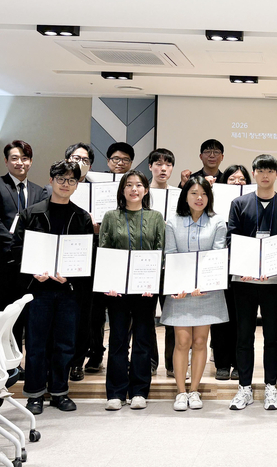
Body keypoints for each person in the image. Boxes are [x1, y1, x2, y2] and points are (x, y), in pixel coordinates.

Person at [12, 160, 94, 414]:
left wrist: (70, 278)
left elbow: (87, 257)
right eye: (61, 179)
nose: (65, 184)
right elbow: (16, 250)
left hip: (68, 291)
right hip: (38, 290)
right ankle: (34, 394)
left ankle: (59, 392)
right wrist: (32, 272)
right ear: (51, 180)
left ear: (77, 185)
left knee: (65, 343)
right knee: (36, 343)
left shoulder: (81, 217)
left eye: (71, 180)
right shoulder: (30, 214)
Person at [227, 154, 277, 411]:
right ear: (253, 173)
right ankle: (244, 387)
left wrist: (274, 267)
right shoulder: (239, 203)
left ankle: (270, 387)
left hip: (274, 281)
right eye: (261, 170)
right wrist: (244, 266)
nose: (265, 175)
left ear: (276, 175)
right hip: (243, 280)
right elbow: (231, 238)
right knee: (243, 335)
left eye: (270, 171)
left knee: (272, 336)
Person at [99, 170, 165, 411]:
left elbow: (160, 252)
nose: (134, 189)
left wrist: (152, 283)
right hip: (116, 290)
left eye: (138, 185)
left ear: (146, 190)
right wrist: (108, 283)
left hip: (145, 290)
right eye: (129, 185)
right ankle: (116, 392)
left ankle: (139, 391)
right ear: (122, 190)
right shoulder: (111, 216)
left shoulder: (156, 217)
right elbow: (104, 251)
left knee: (143, 339)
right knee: (117, 339)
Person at [0, 140, 47, 358]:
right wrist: (18, 247)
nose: (20, 163)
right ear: (6, 161)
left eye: (25, 158)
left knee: (20, 317)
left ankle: (14, 364)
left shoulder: (39, 192)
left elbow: (42, 226)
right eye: (14, 158)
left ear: (31, 162)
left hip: (26, 267)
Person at [163, 176, 228, 411]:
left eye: (203, 194)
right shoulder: (172, 222)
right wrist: (177, 286)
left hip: (206, 291)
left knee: (200, 341)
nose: (199, 198)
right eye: (194, 193)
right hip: (180, 291)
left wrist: (205, 283)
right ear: (185, 196)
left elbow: (217, 255)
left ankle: (194, 390)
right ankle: (181, 392)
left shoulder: (218, 222)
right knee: (182, 341)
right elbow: (170, 255)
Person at [85, 142, 136, 375]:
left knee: (124, 310)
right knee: (95, 310)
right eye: (116, 159)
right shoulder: (95, 185)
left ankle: (122, 354)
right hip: (95, 253)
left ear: (131, 163)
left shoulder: (135, 186)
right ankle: (95, 353)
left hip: (125, 255)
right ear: (107, 161)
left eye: (125, 160)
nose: (120, 163)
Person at [210, 164, 251, 381]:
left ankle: (238, 363)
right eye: (232, 179)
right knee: (220, 316)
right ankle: (222, 363)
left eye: (241, 179)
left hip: (242, 264)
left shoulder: (251, 203)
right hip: (219, 265)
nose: (237, 183)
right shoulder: (213, 202)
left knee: (239, 316)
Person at [63, 142, 99, 383]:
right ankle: (58, 362)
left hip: (90, 259)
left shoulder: (100, 190)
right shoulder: (54, 187)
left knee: (86, 314)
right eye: (76, 158)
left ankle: (77, 362)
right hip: (62, 259)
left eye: (85, 160)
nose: (80, 163)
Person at [148, 148, 178, 377]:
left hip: (173, 263)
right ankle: (149, 362)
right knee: (146, 316)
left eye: (167, 164)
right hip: (148, 262)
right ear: (150, 167)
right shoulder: (141, 192)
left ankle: (172, 364)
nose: (163, 168)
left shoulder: (179, 194)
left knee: (173, 316)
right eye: (158, 164)